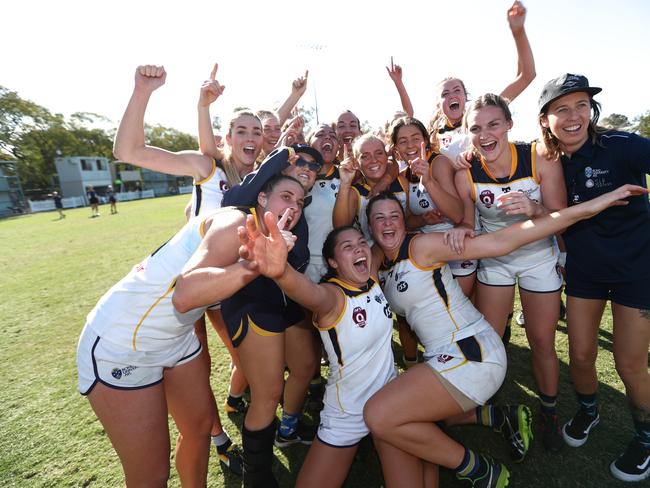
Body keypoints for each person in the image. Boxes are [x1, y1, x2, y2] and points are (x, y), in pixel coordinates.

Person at [361, 185, 647, 488]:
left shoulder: (422, 247)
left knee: (380, 416)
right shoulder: (379, 261)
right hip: (444, 356)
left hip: (472, 354)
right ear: (370, 225)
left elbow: (501, 241)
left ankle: (478, 469)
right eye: (379, 218)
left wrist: (592, 205)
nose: (388, 223)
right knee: (411, 421)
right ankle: (501, 417)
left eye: (394, 216)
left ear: (405, 221)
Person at [76, 175, 304, 487]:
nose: (293, 207)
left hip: (177, 337)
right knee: (151, 475)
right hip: (123, 338)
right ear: (262, 198)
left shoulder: (261, 241)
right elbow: (185, 295)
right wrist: (253, 267)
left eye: (300, 202)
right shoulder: (236, 222)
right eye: (286, 196)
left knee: (198, 431)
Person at [114, 63, 263, 474]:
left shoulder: (262, 184)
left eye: (257, 131)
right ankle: (219, 440)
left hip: (219, 291)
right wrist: (144, 91)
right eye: (241, 130)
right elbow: (130, 153)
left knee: (241, 365)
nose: (250, 137)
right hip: (177, 294)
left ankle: (219, 432)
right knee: (198, 372)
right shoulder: (207, 169)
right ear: (226, 136)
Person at [237, 217, 435, 488]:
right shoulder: (332, 296)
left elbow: (389, 237)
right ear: (332, 262)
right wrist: (282, 272)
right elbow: (309, 294)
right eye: (347, 247)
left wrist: (423, 217)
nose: (358, 249)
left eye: (361, 243)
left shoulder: (371, 274)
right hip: (347, 411)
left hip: (389, 401)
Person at [538, 73, 650, 482]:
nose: (574, 116)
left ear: (592, 110)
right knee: (581, 355)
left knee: (630, 364)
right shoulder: (548, 163)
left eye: (581, 105)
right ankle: (588, 411)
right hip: (584, 272)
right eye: (562, 109)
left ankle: (645, 438)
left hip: (636, 273)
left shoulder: (623, 145)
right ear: (545, 119)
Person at [453, 93, 567, 451]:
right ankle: (488, 402)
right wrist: (460, 228)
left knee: (541, 342)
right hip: (497, 262)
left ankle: (548, 411)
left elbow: (562, 215)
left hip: (538, 258)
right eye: (475, 128)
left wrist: (534, 208)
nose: (485, 134)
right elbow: (464, 221)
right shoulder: (466, 170)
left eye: (493, 124)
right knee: (491, 339)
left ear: (509, 124)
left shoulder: (539, 156)